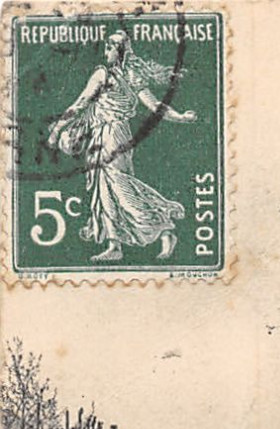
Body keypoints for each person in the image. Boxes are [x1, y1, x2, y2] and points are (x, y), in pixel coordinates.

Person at [46, 31, 196, 262]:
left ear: (119, 51)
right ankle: (116, 244)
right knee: (106, 188)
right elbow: (155, 105)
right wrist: (180, 117)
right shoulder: (125, 75)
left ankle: (163, 225)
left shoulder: (106, 75)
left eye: (109, 48)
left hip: (111, 135)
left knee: (118, 185)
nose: (106, 52)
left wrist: (57, 130)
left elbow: (80, 103)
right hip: (110, 135)